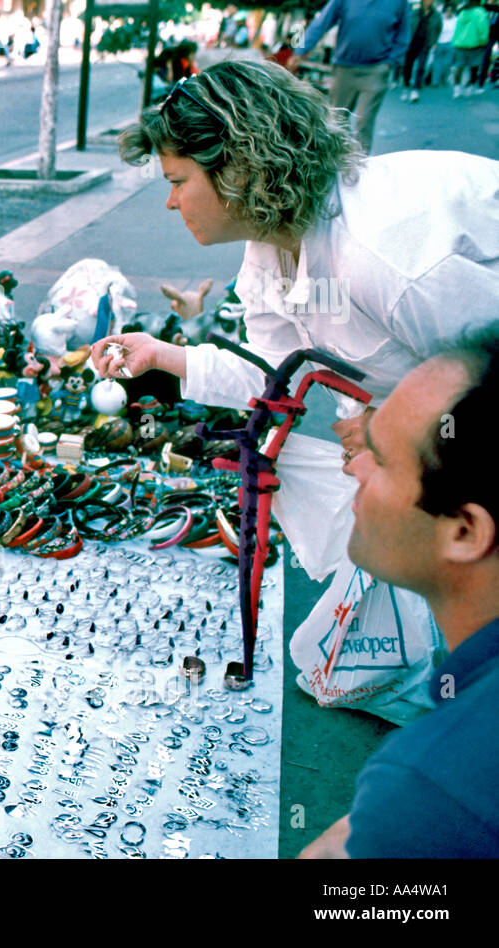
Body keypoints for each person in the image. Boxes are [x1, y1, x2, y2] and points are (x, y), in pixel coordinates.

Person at [93, 61, 499, 710]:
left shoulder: (388, 257)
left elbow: (489, 393)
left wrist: (386, 434)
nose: (170, 202)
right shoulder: (272, 242)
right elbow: (272, 375)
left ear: (238, 171)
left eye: (177, 182)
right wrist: (162, 354)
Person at [300, 324, 499, 858]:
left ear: (464, 531)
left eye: (382, 460)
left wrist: (404, 805)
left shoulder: (435, 787)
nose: (355, 468)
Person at [287, 0, 411, 152]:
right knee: (337, 120)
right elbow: (320, 24)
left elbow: (403, 35)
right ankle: (335, 160)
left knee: (364, 122)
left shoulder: (399, 3)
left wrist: (390, 63)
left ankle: (360, 167)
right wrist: (300, 51)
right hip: (344, 69)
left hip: (376, 70)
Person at [401, 0, 443, 100]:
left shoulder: (436, 15)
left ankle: (416, 88)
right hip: (412, 42)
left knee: (421, 66)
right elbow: (406, 26)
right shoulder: (414, 13)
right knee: (408, 65)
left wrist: (434, 42)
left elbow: (438, 29)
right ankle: (406, 85)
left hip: (425, 43)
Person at [451, 0, 491, 95]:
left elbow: (457, 28)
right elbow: (483, 28)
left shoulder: (463, 12)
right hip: (475, 44)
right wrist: (483, 41)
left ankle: (457, 88)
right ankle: (470, 86)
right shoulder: (480, 12)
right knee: (474, 66)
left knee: (459, 66)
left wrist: (455, 41)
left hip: (460, 43)